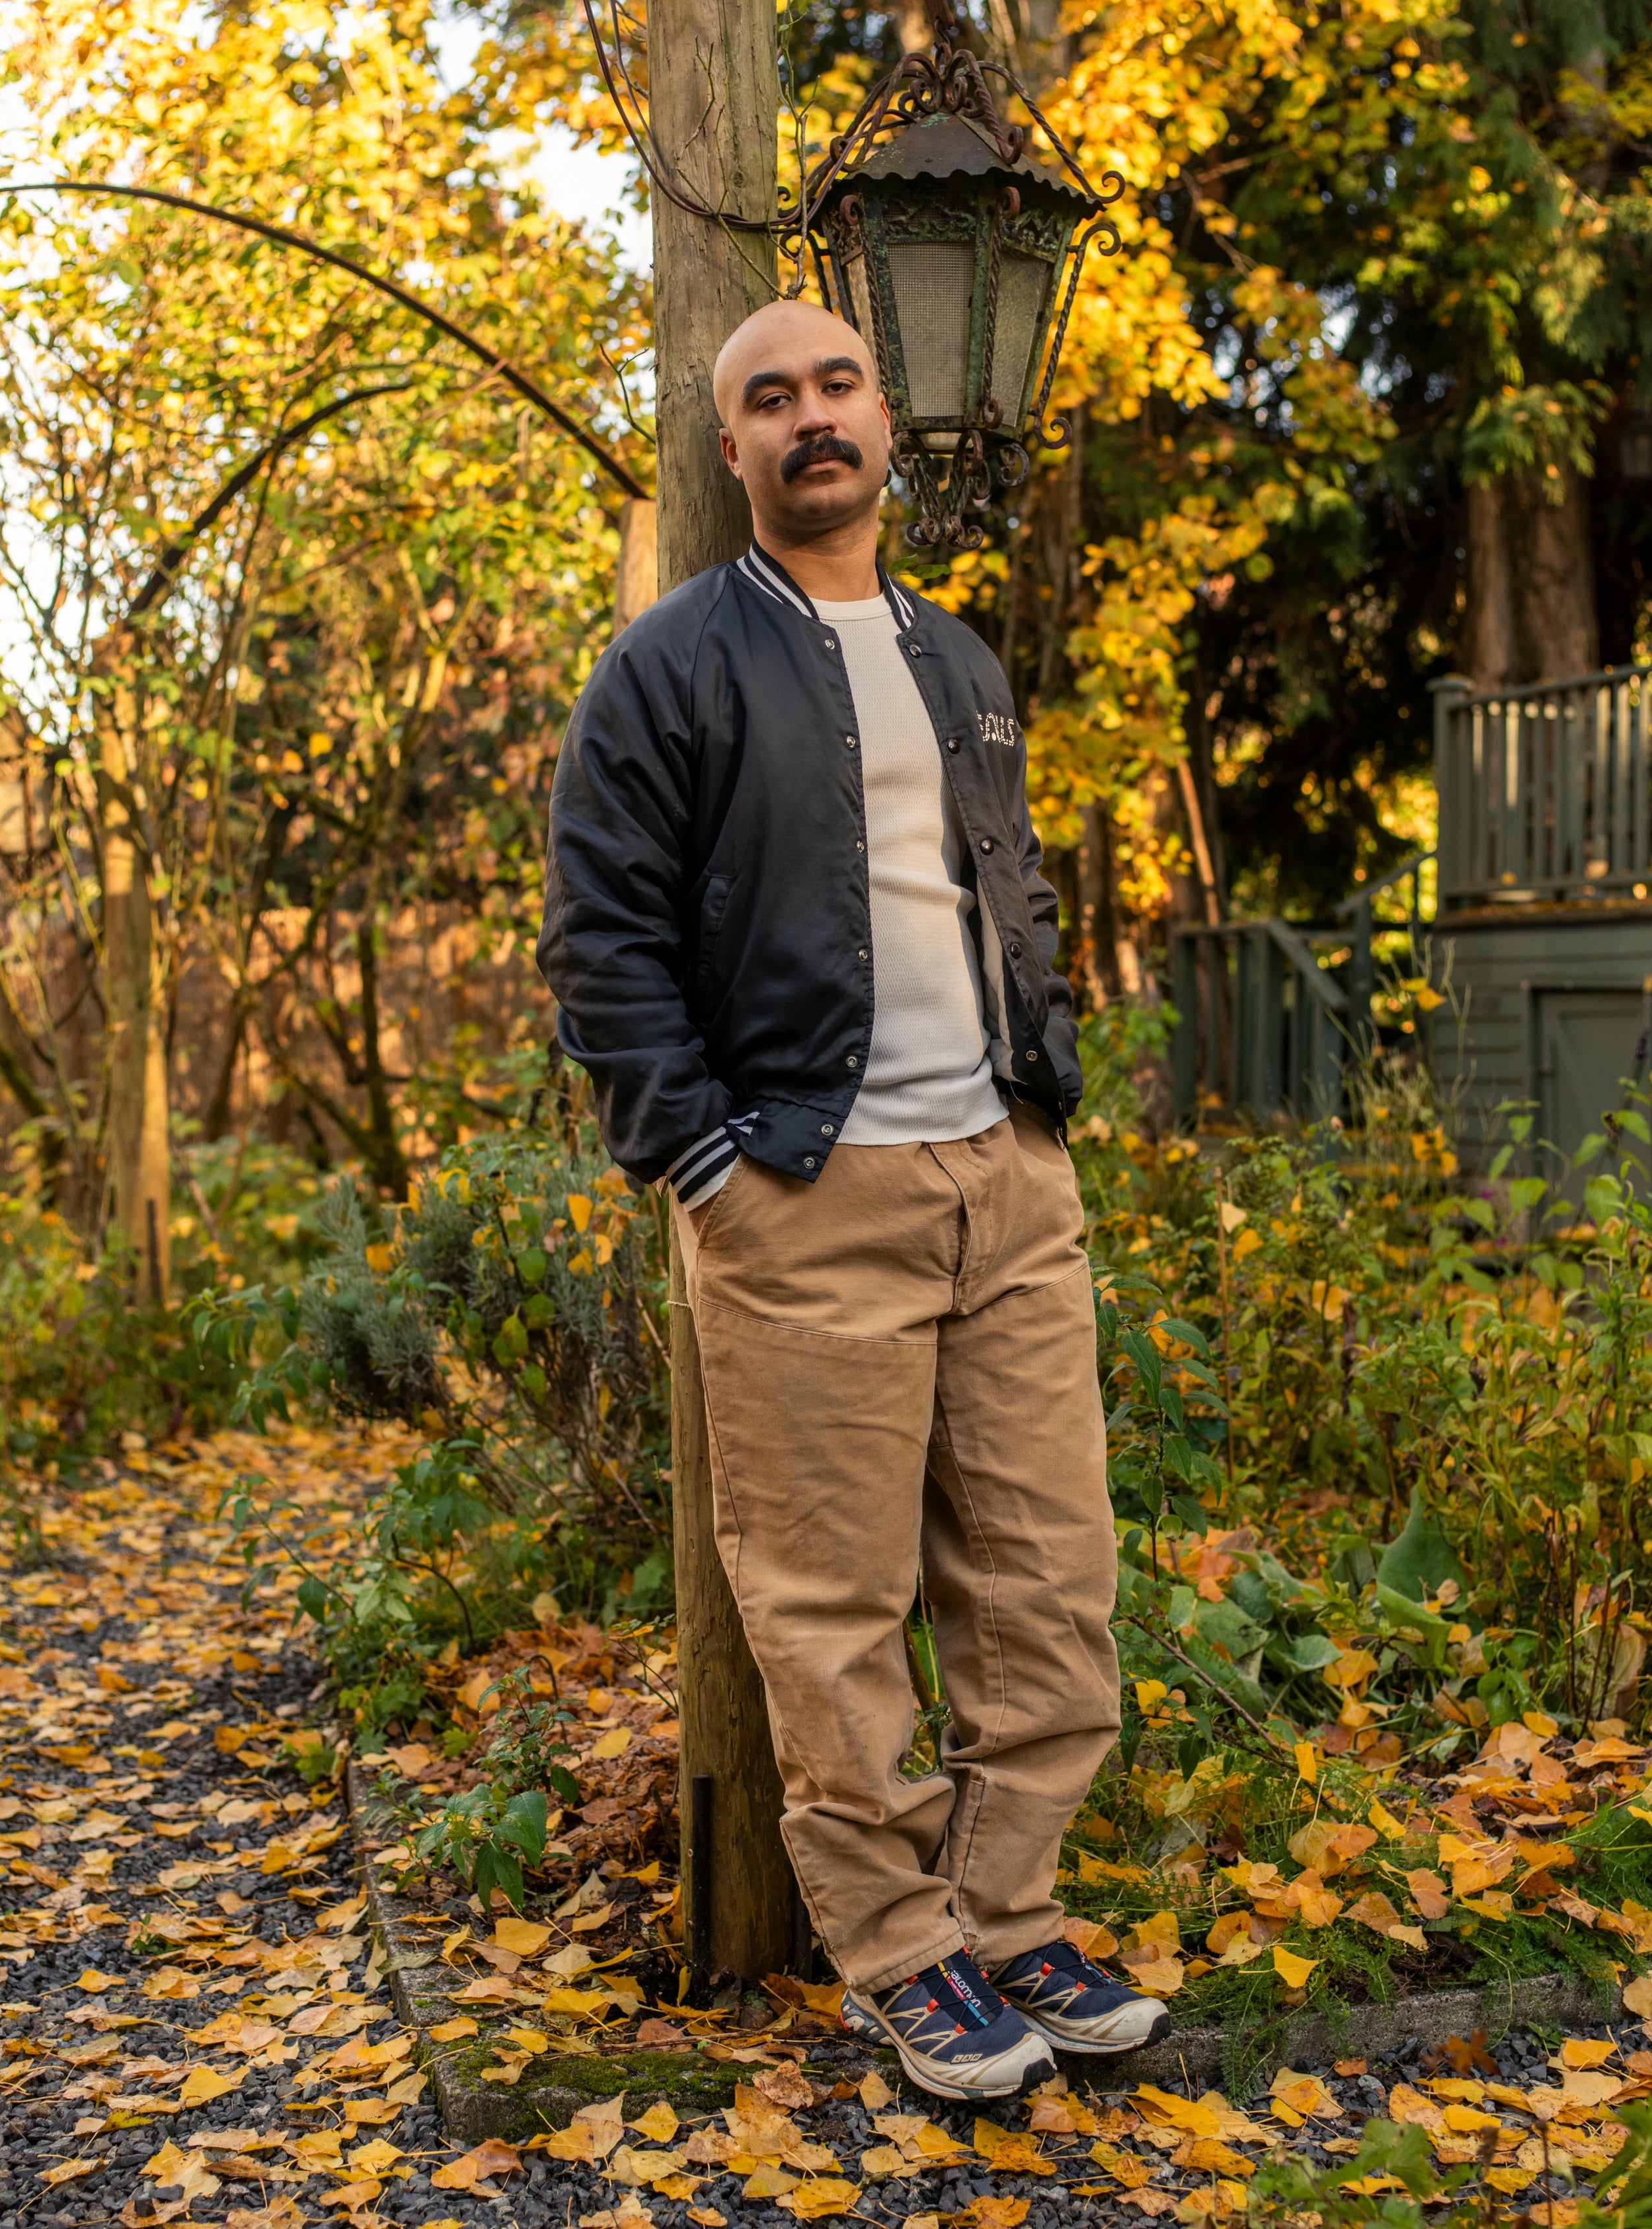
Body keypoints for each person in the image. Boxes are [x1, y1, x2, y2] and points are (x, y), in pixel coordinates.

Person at [538, 297, 1166, 2100]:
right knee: (832, 1606)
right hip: (803, 1190)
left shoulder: (960, 660)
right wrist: (703, 1164)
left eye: (836, 385)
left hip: (1004, 1180)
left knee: (1050, 1583)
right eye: (769, 399)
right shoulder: (667, 668)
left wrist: (1043, 1089)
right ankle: (900, 1950)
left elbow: (1002, 891)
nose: (810, 418)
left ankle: (1013, 1913)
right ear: (730, 444)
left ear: (884, 417)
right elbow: (600, 941)